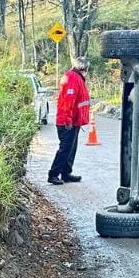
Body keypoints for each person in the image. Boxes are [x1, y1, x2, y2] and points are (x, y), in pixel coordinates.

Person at [48, 58, 91, 186]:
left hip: (74, 121)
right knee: (65, 149)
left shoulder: (75, 77)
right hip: (68, 122)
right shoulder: (73, 78)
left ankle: (66, 173)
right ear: (84, 68)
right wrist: (68, 120)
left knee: (71, 149)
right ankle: (53, 174)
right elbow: (68, 100)